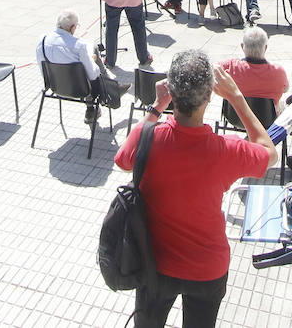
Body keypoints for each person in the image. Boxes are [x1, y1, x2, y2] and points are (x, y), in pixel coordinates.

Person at [114, 51, 277, 328]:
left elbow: (122, 160)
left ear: (171, 90)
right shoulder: (226, 149)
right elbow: (269, 153)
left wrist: (158, 104)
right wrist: (237, 97)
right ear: (210, 96)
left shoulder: (149, 137)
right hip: (207, 269)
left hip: (154, 263)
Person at [35, 10, 127, 125]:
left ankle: (95, 107)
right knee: (93, 53)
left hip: (54, 86)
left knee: (85, 66)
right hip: (81, 90)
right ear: (72, 28)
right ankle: (111, 91)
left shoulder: (42, 40)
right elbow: (93, 75)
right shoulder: (79, 45)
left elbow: (42, 67)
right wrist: (92, 61)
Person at [218, 27, 289, 106]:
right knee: (282, 104)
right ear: (265, 47)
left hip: (234, 113)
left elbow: (210, 71)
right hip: (268, 113)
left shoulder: (229, 67)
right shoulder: (279, 72)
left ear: (242, 46)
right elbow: (285, 89)